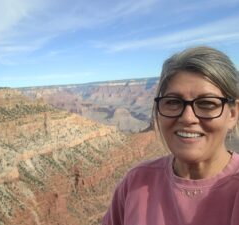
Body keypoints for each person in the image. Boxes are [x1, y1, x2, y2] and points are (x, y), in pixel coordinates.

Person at [102, 46, 239, 225]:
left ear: (233, 114)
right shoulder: (135, 182)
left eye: (206, 103)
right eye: (173, 102)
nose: (187, 117)